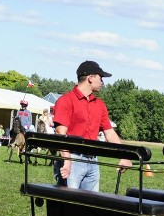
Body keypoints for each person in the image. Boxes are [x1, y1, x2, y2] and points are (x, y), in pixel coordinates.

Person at [53, 60, 131, 191]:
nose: (102, 82)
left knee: (91, 207)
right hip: (73, 159)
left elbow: (110, 133)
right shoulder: (66, 101)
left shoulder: (99, 105)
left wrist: (124, 155)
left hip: (93, 161)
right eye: (101, 78)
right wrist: (67, 160)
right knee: (70, 207)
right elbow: (60, 133)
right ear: (90, 78)